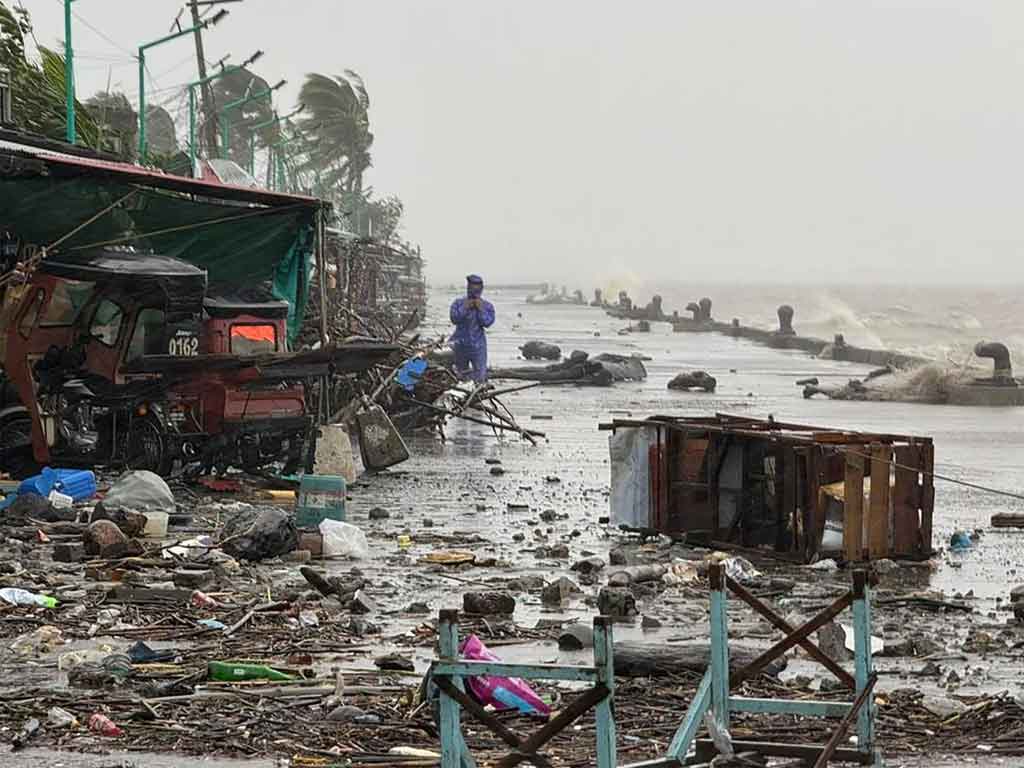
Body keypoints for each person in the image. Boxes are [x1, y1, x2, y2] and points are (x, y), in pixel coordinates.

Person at [449, 274, 495, 382]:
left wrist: (480, 309)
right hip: (460, 344)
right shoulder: (458, 303)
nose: (473, 290)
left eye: (476, 287)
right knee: (460, 375)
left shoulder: (487, 306)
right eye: (471, 287)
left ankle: (476, 393)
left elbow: (487, 322)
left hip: (478, 346)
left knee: (479, 376)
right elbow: (454, 319)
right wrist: (465, 307)